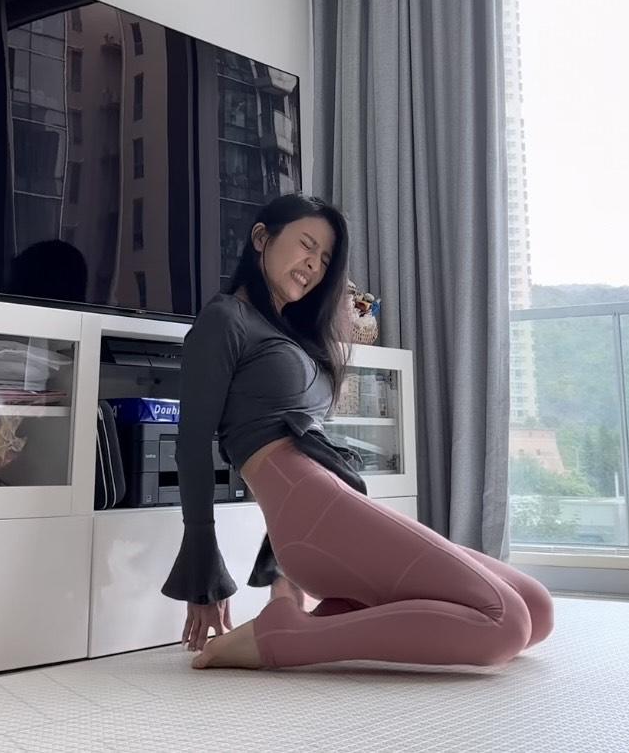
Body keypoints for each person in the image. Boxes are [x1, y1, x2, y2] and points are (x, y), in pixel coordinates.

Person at [162, 193, 554, 670]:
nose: (315, 264)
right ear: (261, 238)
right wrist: (203, 572)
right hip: (314, 512)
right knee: (505, 622)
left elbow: (307, 456)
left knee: (536, 609)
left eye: (326, 259)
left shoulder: (292, 335)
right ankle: (284, 640)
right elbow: (192, 446)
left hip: (333, 508)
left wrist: (282, 580)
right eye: (306, 245)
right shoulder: (225, 319)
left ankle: (309, 619)